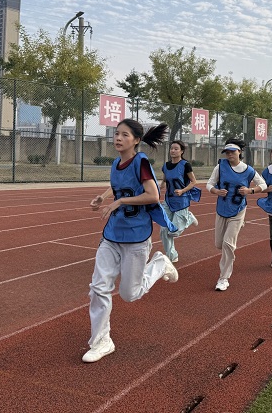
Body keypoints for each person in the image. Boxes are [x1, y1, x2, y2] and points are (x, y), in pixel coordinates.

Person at [83, 120, 179, 363]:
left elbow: (152, 195)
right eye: (116, 134)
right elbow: (119, 187)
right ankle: (101, 341)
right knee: (98, 287)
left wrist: (120, 202)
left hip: (136, 236)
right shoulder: (116, 163)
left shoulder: (141, 162)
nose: (118, 138)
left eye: (124, 135)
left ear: (136, 140)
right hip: (112, 234)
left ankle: (160, 264)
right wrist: (103, 197)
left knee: (130, 294)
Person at [206, 138, 266, 291]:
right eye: (227, 152)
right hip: (222, 209)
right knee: (219, 244)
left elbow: (263, 185)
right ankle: (239, 226)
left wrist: (250, 190)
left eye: (232, 151)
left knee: (228, 244)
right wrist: (216, 191)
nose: (229, 154)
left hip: (238, 209)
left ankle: (223, 278)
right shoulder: (220, 167)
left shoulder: (248, 170)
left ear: (240, 152)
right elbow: (209, 184)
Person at [159, 140, 200, 264]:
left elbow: (194, 181)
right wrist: (158, 188)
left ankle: (189, 218)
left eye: (176, 149)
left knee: (174, 232)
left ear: (181, 151)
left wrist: (183, 190)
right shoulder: (166, 166)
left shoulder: (185, 165)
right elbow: (164, 181)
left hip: (182, 201)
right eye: (171, 148)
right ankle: (172, 255)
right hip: (168, 200)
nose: (173, 150)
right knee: (164, 230)